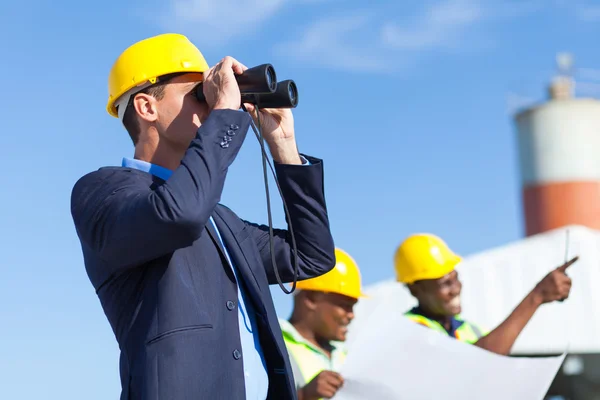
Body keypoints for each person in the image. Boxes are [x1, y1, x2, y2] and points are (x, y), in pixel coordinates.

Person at [70, 33, 336, 400]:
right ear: (147, 107)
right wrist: (226, 113)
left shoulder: (222, 221)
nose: (212, 106)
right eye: (199, 95)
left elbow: (311, 257)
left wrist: (283, 145)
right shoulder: (102, 191)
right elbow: (178, 214)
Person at [394, 233, 576, 355]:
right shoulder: (408, 330)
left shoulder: (472, 331)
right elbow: (474, 366)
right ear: (414, 289)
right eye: (445, 284)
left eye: (455, 278)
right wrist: (536, 296)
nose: (455, 289)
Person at [280, 248, 365, 400]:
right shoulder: (274, 347)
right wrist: (303, 396)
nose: (352, 315)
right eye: (345, 305)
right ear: (311, 299)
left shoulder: (344, 354)